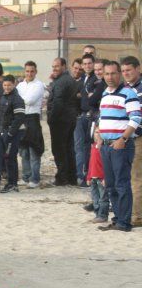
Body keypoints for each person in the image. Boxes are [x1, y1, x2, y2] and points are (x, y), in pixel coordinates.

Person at [95, 60, 141, 232]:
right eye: (106, 74)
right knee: (111, 185)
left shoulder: (128, 93)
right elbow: (102, 118)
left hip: (121, 145)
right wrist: (98, 135)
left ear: (119, 74)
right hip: (106, 145)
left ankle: (124, 222)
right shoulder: (105, 94)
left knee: (122, 184)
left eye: (113, 73)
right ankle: (118, 218)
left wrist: (123, 138)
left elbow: (136, 118)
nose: (110, 77)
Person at [47, 58, 78, 186]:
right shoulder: (69, 79)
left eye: (57, 66)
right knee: (68, 148)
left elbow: (58, 102)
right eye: (53, 66)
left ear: (64, 66)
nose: (54, 69)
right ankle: (71, 177)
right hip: (69, 118)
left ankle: (62, 177)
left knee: (59, 149)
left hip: (60, 120)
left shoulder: (61, 82)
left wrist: (51, 119)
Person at [120, 55, 142, 226]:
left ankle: (137, 217)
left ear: (138, 69)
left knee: (136, 177)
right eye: (123, 71)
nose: (125, 73)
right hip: (129, 137)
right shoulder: (127, 88)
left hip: (138, 136)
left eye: (129, 70)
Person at [17, 61, 46, 188]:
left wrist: (21, 99)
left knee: (34, 150)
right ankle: (25, 176)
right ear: (24, 71)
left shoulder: (39, 85)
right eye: (27, 71)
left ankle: (35, 179)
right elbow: (17, 101)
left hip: (33, 118)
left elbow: (29, 100)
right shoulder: (20, 85)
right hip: (21, 118)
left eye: (32, 71)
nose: (29, 73)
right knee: (23, 151)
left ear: (36, 71)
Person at [0, 74, 27, 193]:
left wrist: (10, 133)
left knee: (10, 157)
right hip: (5, 131)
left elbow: (19, 118)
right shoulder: (4, 97)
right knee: (6, 157)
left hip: (14, 133)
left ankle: (13, 184)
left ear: (14, 84)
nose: (7, 87)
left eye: (9, 85)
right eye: (5, 85)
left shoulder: (17, 99)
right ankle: (10, 182)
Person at [74, 53, 97, 187]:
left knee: (89, 146)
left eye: (90, 63)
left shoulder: (96, 79)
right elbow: (79, 94)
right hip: (80, 115)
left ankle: (87, 175)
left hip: (91, 116)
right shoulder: (82, 78)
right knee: (79, 147)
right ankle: (80, 175)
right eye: (85, 64)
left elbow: (92, 97)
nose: (87, 66)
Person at [86, 136, 109, 223]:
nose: (98, 135)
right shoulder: (93, 147)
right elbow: (91, 164)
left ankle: (102, 215)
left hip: (101, 177)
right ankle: (97, 214)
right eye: (96, 132)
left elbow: (107, 165)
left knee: (103, 198)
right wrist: (88, 177)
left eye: (100, 132)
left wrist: (105, 177)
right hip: (93, 177)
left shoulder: (104, 148)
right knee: (95, 198)